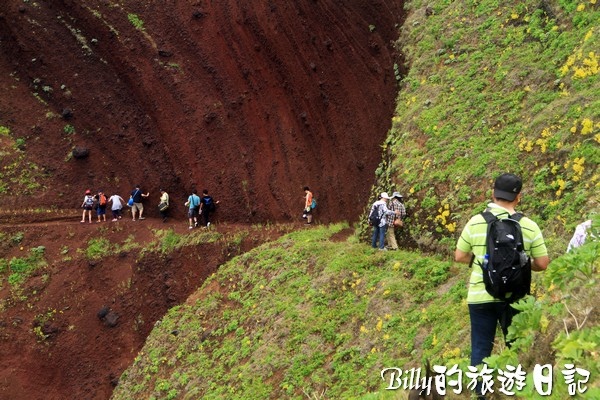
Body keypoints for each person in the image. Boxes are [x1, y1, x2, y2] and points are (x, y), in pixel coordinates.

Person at [454, 173, 549, 400]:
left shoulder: (476, 222)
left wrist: (480, 262)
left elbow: (459, 256)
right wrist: (521, 267)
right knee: (516, 346)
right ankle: (517, 392)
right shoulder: (527, 225)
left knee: (480, 349)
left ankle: (481, 395)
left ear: (492, 194)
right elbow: (543, 263)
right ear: (518, 197)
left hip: (480, 295)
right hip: (515, 296)